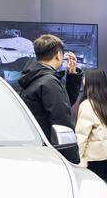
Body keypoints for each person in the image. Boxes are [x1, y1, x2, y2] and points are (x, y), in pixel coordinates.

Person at [17, 34, 83, 163]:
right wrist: (72, 160)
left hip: (38, 150)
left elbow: (65, 103)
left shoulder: (35, 77)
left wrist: (72, 76)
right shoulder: (49, 82)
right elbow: (62, 121)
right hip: (52, 155)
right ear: (58, 55)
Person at [75, 69, 107, 195]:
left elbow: (81, 136)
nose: (83, 80)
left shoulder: (87, 105)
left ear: (90, 82)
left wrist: (76, 160)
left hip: (93, 162)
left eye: (85, 78)